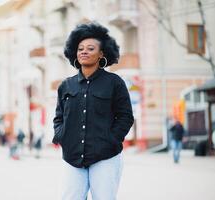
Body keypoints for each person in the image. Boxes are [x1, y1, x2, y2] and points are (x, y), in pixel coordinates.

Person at [52, 22, 134, 200]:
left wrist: (112, 139)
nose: (84, 51)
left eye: (90, 48)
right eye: (80, 48)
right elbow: (58, 117)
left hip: (105, 157)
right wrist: (61, 135)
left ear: (101, 54)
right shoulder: (66, 85)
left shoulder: (114, 82)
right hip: (72, 157)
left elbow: (126, 116)